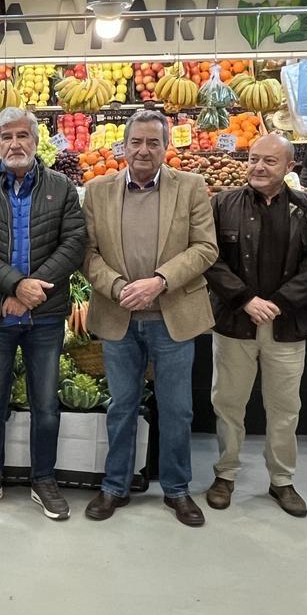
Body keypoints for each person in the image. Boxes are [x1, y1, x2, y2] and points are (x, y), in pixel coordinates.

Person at [82, 110, 218, 527]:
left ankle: (177, 490)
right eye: (136, 142)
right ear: (123, 146)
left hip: (173, 316)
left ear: (165, 147)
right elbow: (87, 254)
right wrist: (118, 285)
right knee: (121, 406)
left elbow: (205, 248)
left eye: (153, 143)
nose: (144, 150)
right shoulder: (96, 190)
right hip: (118, 315)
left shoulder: (191, 186)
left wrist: (160, 281)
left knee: (177, 409)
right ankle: (115, 485)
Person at [0, 107, 86, 521]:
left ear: (36, 141)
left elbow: (73, 244)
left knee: (46, 404)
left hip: (45, 316)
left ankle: (44, 479)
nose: (14, 144)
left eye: (22, 136)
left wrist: (31, 292)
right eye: (6, 137)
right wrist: (15, 286)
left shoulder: (62, 188)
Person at [203, 134, 307, 517]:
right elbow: (209, 257)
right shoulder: (222, 204)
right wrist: (244, 298)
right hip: (234, 321)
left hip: (286, 323)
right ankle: (225, 474)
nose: (258, 167)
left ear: (290, 167)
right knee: (228, 402)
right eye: (253, 159)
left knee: (284, 406)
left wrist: (278, 302)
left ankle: (282, 480)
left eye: (270, 161)